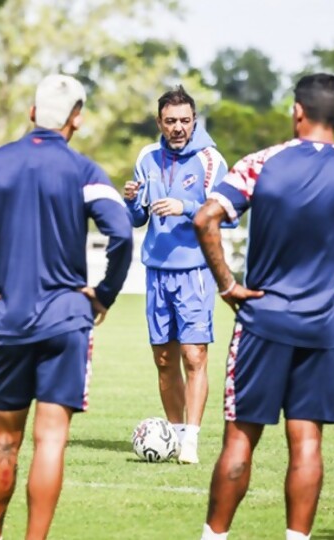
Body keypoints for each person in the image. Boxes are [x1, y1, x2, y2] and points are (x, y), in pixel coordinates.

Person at [193, 73, 334, 540]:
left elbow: (206, 218)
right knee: (306, 442)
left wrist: (228, 285)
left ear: (297, 112)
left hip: (263, 320)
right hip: (325, 325)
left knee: (240, 440)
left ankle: (214, 537)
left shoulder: (263, 163)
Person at [0, 74, 133, 540]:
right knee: (50, 441)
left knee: (4, 441)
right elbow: (122, 233)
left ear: (31, 113)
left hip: (7, 322)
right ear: (76, 120)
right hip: (66, 321)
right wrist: (103, 294)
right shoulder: (84, 171)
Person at [123, 86, 229, 465]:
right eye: (171, 121)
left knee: (193, 354)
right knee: (165, 360)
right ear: (159, 122)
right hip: (156, 271)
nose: (178, 128)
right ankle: (174, 436)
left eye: (185, 120)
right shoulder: (147, 156)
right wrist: (132, 199)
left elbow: (228, 215)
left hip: (195, 271)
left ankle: (192, 442)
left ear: (194, 120)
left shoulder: (211, 159)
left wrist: (185, 206)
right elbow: (137, 218)